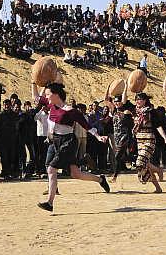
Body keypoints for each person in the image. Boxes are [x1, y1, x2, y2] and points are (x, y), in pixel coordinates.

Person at [31, 82, 110, 212]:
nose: (46, 96)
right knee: (76, 173)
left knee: (51, 169)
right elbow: (36, 97)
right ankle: (100, 179)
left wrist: (98, 137)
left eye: (48, 94)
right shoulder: (51, 105)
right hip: (54, 141)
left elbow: (86, 125)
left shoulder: (70, 111)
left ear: (56, 95)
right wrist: (34, 82)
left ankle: (50, 203)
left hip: (68, 142)